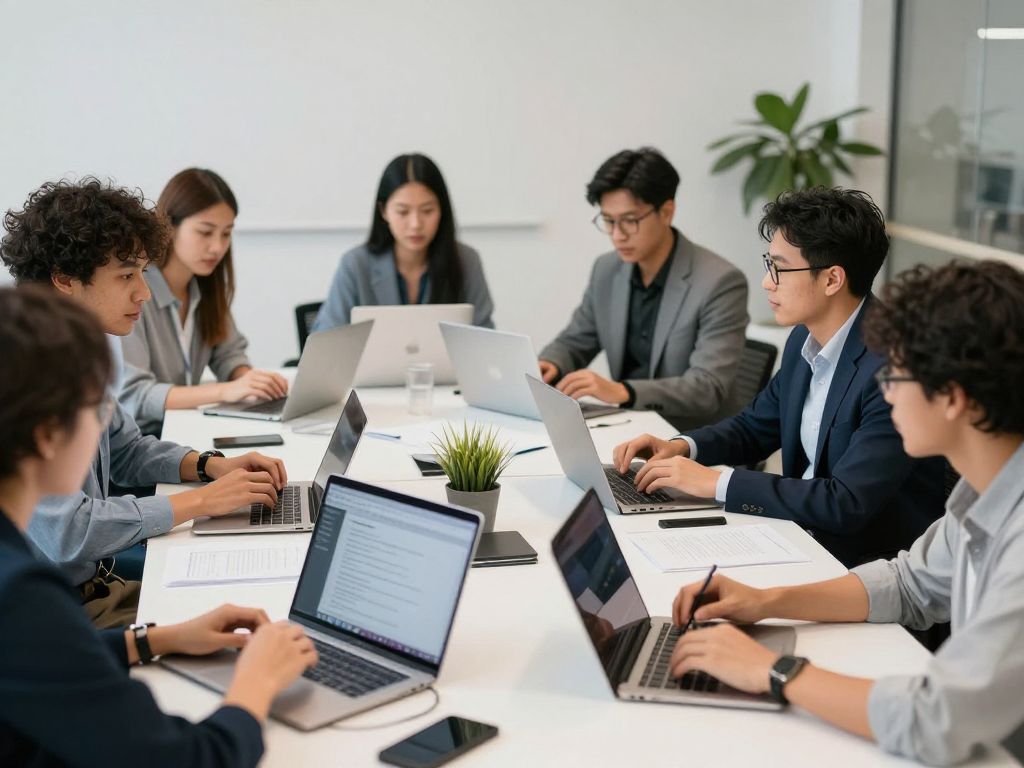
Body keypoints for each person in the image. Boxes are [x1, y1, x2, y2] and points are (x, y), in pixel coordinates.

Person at [666, 260, 1024, 766]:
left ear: (953, 398)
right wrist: (767, 601)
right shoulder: (983, 493)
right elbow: (909, 584)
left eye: (896, 373)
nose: (886, 390)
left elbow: (934, 720)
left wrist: (775, 671)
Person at [0, 285, 317, 767]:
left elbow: (42, 662)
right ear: (47, 436)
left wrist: (157, 638)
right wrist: (258, 681)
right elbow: (192, 759)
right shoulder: (21, 594)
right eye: (97, 410)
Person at [1, 178, 288, 627]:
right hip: (59, 615)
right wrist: (202, 503)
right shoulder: (26, 376)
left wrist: (210, 466)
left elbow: (128, 450)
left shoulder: (77, 355)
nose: (145, 292)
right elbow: (68, 532)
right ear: (65, 280)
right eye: (126, 276)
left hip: (97, 587)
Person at [614, 187, 945, 567]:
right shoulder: (804, 337)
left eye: (780, 268)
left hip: (862, 565)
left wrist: (715, 483)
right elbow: (755, 427)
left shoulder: (894, 369)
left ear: (832, 279)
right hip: (796, 537)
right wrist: (683, 447)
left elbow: (846, 503)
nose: (767, 282)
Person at [538, 147, 749, 430]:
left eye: (630, 221)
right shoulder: (606, 269)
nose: (617, 235)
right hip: (626, 428)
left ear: (666, 212)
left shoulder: (719, 281)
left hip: (691, 439)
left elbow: (707, 388)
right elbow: (576, 340)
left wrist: (624, 392)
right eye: (608, 221)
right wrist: (552, 363)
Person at [121, 168, 288, 436]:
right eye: (205, 232)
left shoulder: (204, 286)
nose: (217, 247)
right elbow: (135, 396)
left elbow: (228, 354)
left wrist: (250, 381)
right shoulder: (134, 293)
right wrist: (226, 390)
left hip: (184, 433)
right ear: (170, 227)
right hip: (141, 447)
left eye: (226, 234)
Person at [313, 153, 494, 331]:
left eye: (427, 210)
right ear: (383, 211)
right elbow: (325, 336)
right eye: (403, 212)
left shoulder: (466, 261)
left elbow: (486, 339)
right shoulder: (355, 264)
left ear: (442, 210)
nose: (415, 224)